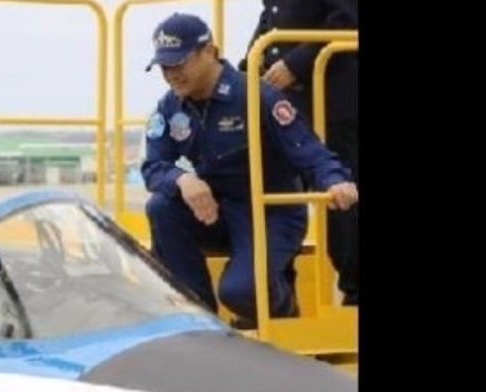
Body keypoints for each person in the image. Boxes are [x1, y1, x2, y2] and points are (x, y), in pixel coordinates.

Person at [141, 12, 357, 327]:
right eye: (164, 67)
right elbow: (153, 166)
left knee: (240, 292)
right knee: (161, 207)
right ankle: (199, 319)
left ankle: (283, 306)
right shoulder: (170, 108)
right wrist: (182, 179)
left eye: (179, 63)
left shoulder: (256, 96)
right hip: (215, 213)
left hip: (270, 214)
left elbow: (310, 152)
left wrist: (336, 181)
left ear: (209, 52)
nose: (171, 74)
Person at [240, 0, 359, 305]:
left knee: (341, 204)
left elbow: (347, 18)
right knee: (279, 200)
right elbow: (273, 18)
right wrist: (246, 68)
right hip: (288, 109)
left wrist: (296, 64)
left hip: (333, 101)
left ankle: (354, 295)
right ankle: (280, 300)